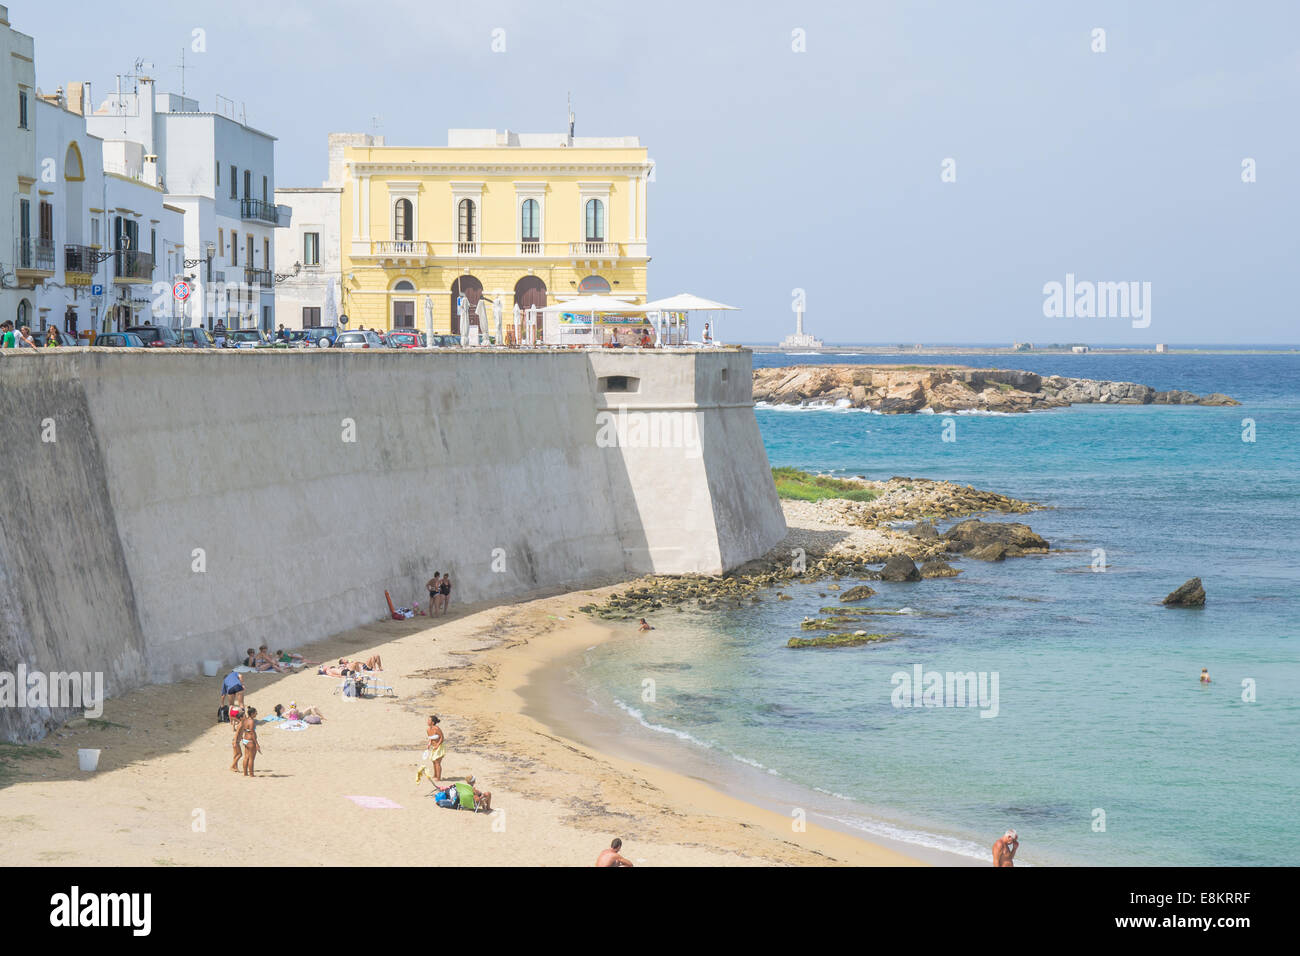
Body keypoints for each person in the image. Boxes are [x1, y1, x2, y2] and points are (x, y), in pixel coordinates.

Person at [415, 714, 446, 784]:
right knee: (433, 761)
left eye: (429, 720)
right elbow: (431, 738)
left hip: (440, 747)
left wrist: (438, 745)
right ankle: (435, 775)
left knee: (437, 762)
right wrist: (429, 744)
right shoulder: (428, 730)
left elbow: (442, 738)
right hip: (433, 747)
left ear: (433, 722)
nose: (427, 721)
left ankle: (438, 777)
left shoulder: (436, 728)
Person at [235, 707, 261, 776]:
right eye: (256, 712)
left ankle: (245, 773)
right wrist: (257, 744)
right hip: (250, 740)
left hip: (245, 739)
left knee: (246, 757)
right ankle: (251, 774)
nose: (256, 714)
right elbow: (252, 733)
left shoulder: (245, 720)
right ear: (252, 713)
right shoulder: (251, 721)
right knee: (251, 758)